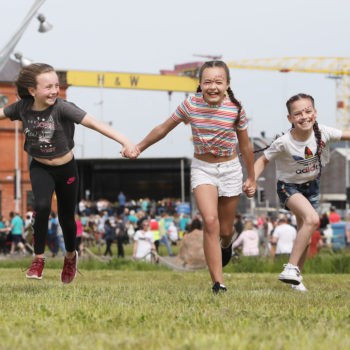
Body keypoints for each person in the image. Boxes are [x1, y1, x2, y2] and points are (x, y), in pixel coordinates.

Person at [125, 60, 256, 293]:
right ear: (200, 84)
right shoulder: (190, 105)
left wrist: (252, 178)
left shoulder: (236, 108)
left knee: (226, 231)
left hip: (230, 169)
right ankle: (218, 282)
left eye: (218, 81)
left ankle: (227, 246)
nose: (213, 86)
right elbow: (163, 129)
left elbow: (245, 147)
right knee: (210, 221)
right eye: (207, 82)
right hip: (203, 168)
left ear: (227, 84)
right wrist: (139, 147)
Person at [0, 63, 138, 283]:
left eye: (56, 85)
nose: (54, 90)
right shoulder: (21, 108)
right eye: (48, 87)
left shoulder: (63, 107)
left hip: (66, 169)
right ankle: (38, 258)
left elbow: (95, 124)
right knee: (42, 206)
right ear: (32, 90)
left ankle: (71, 256)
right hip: (40, 167)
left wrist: (125, 141)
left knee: (66, 216)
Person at [254, 93, 350, 291]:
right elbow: (263, 159)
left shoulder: (323, 132)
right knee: (312, 219)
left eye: (308, 111)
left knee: (304, 237)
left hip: (312, 186)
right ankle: (290, 268)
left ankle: (295, 279)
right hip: (288, 187)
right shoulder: (284, 142)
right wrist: (251, 180)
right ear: (290, 119)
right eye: (298, 114)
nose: (304, 116)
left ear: (315, 112)